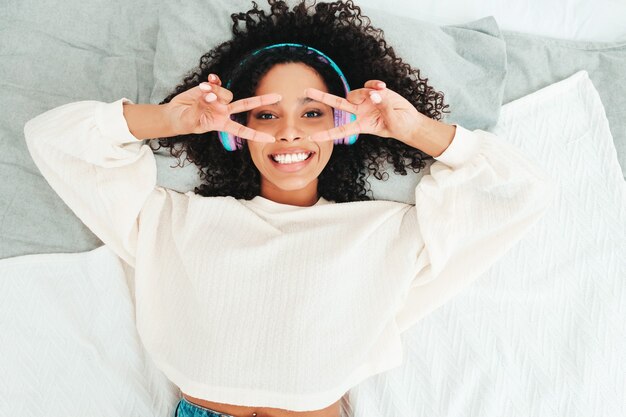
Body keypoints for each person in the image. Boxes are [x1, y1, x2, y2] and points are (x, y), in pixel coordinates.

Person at [23, 1, 555, 416]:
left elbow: (521, 191)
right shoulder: (174, 218)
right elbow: (54, 140)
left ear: (345, 128)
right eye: (266, 115)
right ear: (238, 132)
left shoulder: (386, 232)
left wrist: (412, 128)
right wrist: (170, 121)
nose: (291, 130)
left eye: (314, 111)